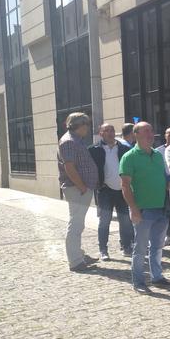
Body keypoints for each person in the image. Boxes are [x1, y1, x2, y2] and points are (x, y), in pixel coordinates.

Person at [119, 122, 170, 294]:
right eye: (146, 131)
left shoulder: (157, 155)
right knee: (140, 249)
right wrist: (133, 209)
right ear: (136, 135)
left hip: (161, 209)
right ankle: (139, 282)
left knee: (157, 247)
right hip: (143, 210)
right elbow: (125, 186)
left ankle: (157, 277)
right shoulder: (129, 157)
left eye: (151, 130)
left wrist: (169, 182)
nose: (151, 134)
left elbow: (163, 177)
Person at [57, 113, 99, 272]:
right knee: (75, 224)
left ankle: (79, 255)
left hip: (80, 189)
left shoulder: (75, 140)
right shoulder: (69, 141)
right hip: (77, 189)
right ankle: (75, 261)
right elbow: (69, 167)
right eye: (86, 124)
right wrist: (82, 186)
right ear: (79, 125)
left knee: (78, 224)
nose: (88, 128)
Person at [88, 123, 134, 260]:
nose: (110, 133)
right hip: (105, 190)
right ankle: (103, 249)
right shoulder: (93, 150)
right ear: (100, 133)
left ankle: (126, 246)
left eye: (112, 130)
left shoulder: (124, 148)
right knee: (104, 221)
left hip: (122, 189)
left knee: (125, 220)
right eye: (106, 130)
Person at [156, 127, 170, 245]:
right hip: (164, 186)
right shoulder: (158, 151)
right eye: (169, 135)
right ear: (165, 136)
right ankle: (169, 235)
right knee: (167, 212)